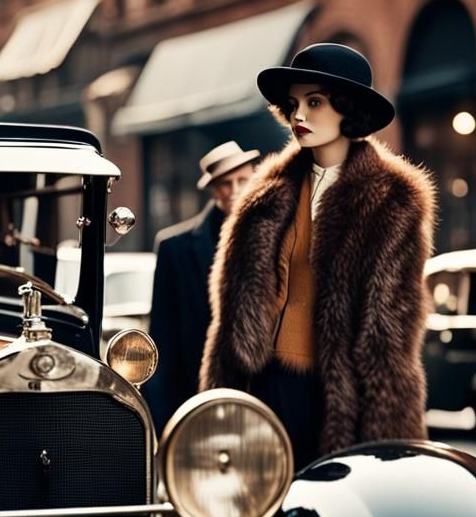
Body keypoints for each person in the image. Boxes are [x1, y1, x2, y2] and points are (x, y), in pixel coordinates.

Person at [200, 43, 435, 468]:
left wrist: (388, 433)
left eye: (315, 102)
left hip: (336, 394)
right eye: (293, 105)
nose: (299, 117)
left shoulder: (391, 200)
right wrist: (219, 400)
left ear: (347, 109)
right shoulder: (264, 196)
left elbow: (389, 336)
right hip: (263, 386)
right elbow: (232, 320)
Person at [144, 142, 258, 424]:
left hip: (258, 393)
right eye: (225, 184)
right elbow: (162, 334)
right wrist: (160, 417)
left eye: (242, 180)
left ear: (255, 178)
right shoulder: (174, 247)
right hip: (195, 390)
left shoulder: (272, 236)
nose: (234, 191)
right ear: (212, 189)